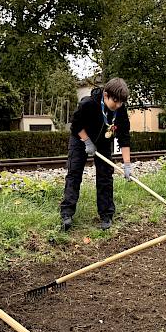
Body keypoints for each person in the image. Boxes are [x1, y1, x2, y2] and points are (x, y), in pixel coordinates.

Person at [59, 77, 132, 231]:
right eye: (115, 101)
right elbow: (76, 125)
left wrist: (127, 164)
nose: (118, 105)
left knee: (105, 176)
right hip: (80, 138)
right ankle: (67, 214)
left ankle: (106, 215)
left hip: (103, 142)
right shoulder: (88, 104)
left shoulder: (120, 110)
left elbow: (124, 137)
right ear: (106, 95)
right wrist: (86, 141)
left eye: (121, 102)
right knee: (74, 173)